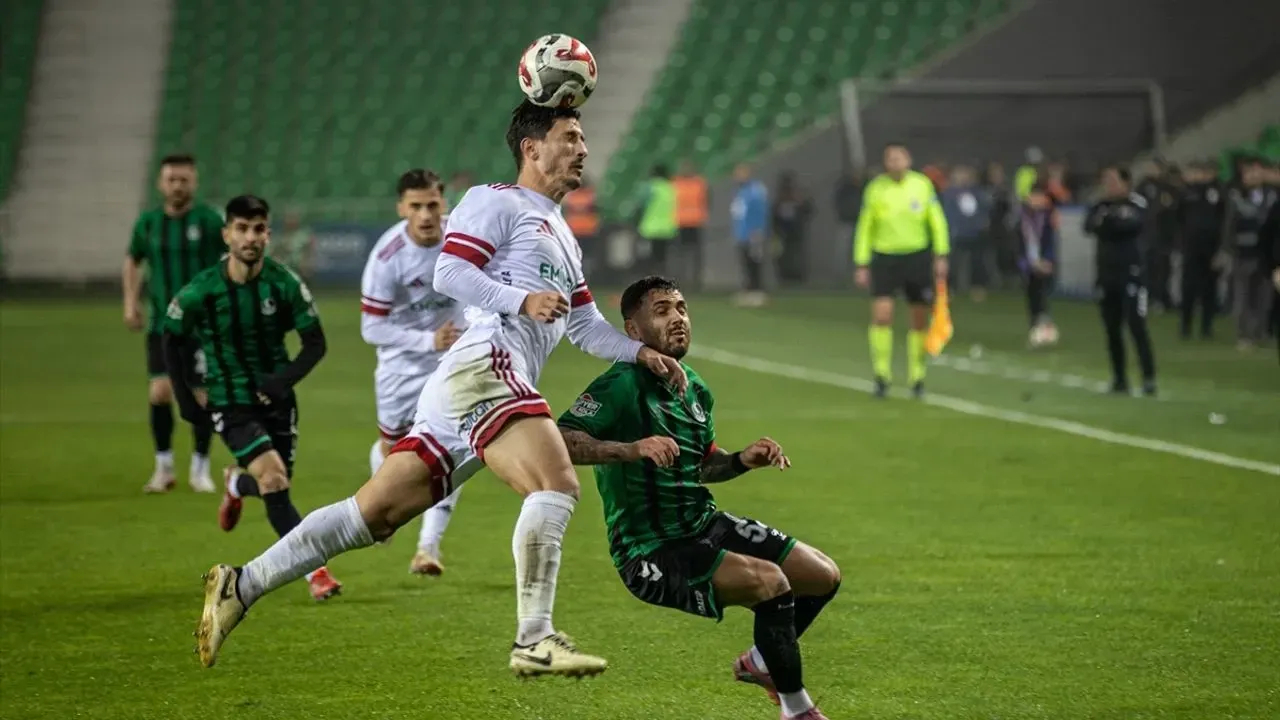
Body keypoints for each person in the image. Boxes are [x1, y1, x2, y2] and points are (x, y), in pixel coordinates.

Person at [192, 101, 687, 675]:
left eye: (582, 138)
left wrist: (641, 352)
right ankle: (535, 639)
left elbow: (583, 325)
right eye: (570, 137)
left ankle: (242, 583)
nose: (583, 149)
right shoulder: (495, 200)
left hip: (467, 383)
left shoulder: (562, 234)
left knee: (372, 515)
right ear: (531, 149)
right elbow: (449, 272)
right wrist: (522, 300)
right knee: (554, 483)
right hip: (488, 360)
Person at [556, 276, 840, 720]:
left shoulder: (694, 387)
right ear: (633, 330)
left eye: (682, 308)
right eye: (662, 311)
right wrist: (631, 449)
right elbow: (561, 439)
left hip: (703, 524)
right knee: (771, 583)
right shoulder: (621, 384)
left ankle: (763, 661)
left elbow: (704, 465)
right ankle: (797, 709)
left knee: (822, 575)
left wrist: (742, 460)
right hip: (651, 549)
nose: (678, 318)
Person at [164, 195, 342, 601]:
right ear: (227, 234)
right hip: (230, 402)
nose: (250, 237)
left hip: (277, 401)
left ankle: (235, 483)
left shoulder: (284, 283)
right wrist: (186, 398)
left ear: (268, 234)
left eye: (258, 229)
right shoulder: (203, 289)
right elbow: (170, 338)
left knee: (273, 486)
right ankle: (316, 574)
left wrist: (283, 381)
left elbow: (315, 343)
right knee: (275, 479)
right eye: (241, 229)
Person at [359, 169, 466, 576]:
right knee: (393, 449)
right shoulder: (387, 257)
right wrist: (427, 340)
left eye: (432, 205)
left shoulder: (462, 236)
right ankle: (380, 505)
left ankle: (428, 548)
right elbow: (372, 328)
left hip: (452, 361)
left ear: (443, 203)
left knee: (453, 450)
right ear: (401, 208)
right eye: (416, 206)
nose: (425, 215)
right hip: (402, 368)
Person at [122, 154, 226, 494]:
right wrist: (131, 302)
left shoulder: (209, 220)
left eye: (184, 180)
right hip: (162, 326)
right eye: (172, 179)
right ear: (161, 183)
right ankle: (164, 467)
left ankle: (200, 468)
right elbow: (133, 260)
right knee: (160, 391)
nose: (178, 186)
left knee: (202, 397)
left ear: (194, 182)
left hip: (202, 327)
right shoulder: (149, 223)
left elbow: (233, 257)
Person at [854, 142, 950, 398]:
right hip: (885, 257)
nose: (895, 163)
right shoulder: (876, 188)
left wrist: (941, 253)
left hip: (916, 257)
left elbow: (936, 220)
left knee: (918, 318)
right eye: (890, 159)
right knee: (882, 315)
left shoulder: (922, 185)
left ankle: (917, 377)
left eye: (899, 158)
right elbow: (865, 226)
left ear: (908, 160)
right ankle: (881, 375)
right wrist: (861, 262)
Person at [1084, 167, 1157, 396]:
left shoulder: (1137, 203)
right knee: (1112, 329)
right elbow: (1089, 226)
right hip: (1106, 274)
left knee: (1136, 327)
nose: (1109, 185)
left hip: (1131, 273)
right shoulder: (1100, 205)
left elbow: (1132, 226)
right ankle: (1119, 378)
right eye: (1106, 181)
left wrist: (1108, 223)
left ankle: (1148, 378)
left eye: (1113, 181)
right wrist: (1110, 221)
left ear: (1126, 183)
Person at [1222, 157, 1279, 351]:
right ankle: (1244, 335)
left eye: (1257, 172)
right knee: (1243, 297)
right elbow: (1229, 226)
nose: (1254, 176)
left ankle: (1260, 332)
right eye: (1250, 173)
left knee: (1264, 297)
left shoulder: (1272, 197)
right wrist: (1228, 250)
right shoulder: (1236, 197)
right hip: (1243, 254)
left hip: (1266, 256)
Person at [1175, 161, 1227, 340]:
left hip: (1212, 247)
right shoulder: (1187, 192)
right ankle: (1185, 325)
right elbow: (1179, 216)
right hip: (1191, 246)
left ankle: (1206, 326)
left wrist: (1221, 248)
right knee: (1188, 287)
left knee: (1210, 288)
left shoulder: (1220, 191)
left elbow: (1224, 219)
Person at [940, 164, 990, 301]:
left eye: (965, 174)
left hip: (975, 233)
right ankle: (950, 288)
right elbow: (947, 212)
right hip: (957, 233)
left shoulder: (976, 192)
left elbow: (984, 209)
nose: (963, 177)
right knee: (953, 262)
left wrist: (982, 223)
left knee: (977, 262)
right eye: (960, 174)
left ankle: (977, 287)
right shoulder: (949, 193)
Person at [1018, 184, 1059, 341]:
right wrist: (1028, 262)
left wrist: (1048, 260)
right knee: (1032, 294)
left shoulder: (1046, 217)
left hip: (1044, 262)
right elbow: (1017, 243)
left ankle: (1044, 325)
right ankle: (1036, 325)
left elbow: (1050, 241)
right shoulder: (1021, 217)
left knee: (1043, 292)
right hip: (1028, 262)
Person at [732, 163, 770, 307]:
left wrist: (758, 229)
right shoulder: (741, 191)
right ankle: (748, 291)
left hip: (753, 233)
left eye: (741, 173)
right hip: (742, 233)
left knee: (754, 262)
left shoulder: (756, 190)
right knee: (745, 262)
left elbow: (760, 211)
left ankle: (758, 292)